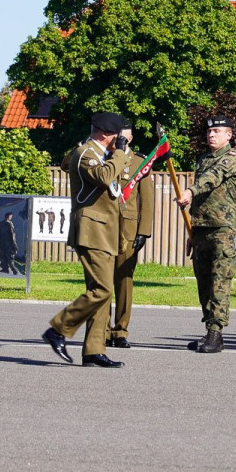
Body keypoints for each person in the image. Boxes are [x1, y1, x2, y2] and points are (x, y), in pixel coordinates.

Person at [41, 112, 133, 367]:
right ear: (106, 134)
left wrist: (117, 155)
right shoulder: (86, 154)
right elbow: (104, 177)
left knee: (102, 293)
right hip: (92, 231)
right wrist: (120, 154)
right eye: (118, 137)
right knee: (102, 289)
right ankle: (58, 329)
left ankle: (93, 350)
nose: (121, 142)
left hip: (106, 232)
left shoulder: (102, 155)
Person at [178, 115, 236, 354]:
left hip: (222, 229)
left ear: (228, 135)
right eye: (209, 132)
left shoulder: (233, 158)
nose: (211, 135)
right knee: (203, 283)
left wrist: (190, 189)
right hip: (201, 229)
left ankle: (216, 333)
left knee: (219, 282)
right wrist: (193, 231)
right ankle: (209, 330)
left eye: (217, 131)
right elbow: (201, 200)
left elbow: (212, 178)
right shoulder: (203, 159)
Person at [110, 125, 154, 347]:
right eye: (118, 137)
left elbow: (146, 199)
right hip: (105, 227)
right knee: (102, 281)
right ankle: (103, 331)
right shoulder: (105, 158)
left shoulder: (139, 162)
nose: (121, 141)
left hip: (128, 230)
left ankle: (120, 331)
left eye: (124, 137)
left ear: (131, 138)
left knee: (124, 280)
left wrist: (144, 231)